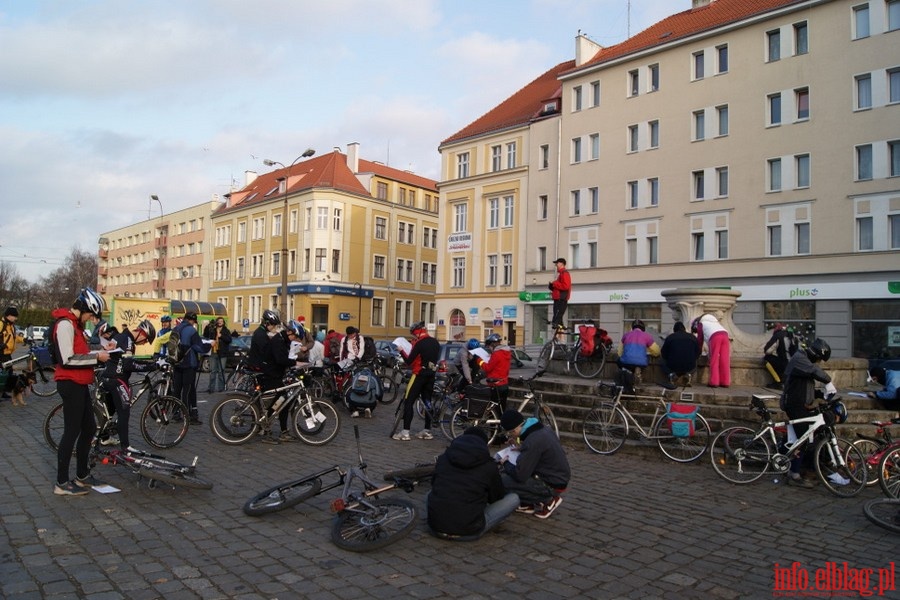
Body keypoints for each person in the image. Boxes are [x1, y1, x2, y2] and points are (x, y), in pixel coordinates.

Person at [52, 288, 111, 496]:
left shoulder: (75, 325)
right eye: (89, 314)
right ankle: (61, 483)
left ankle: (82, 475)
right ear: (83, 309)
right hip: (70, 384)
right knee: (71, 432)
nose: (89, 319)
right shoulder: (65, 325)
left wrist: (98, 353)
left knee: (88, 429)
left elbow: (80, 353)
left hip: (80, 383)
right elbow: (67, 359)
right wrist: (97, 358)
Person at [427, 427, 520, 540]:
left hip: (435, 528)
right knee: (514, 499)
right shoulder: (488, 466)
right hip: (469, 530)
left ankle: (442, 518)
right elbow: (496, 497)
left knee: (431, 493)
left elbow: (434, 483)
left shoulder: (443, 458)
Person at [782, 338, 835, 488]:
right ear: (816, 354)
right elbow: (813, 371)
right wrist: (828, 381)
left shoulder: (804, 359)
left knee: (799, 435)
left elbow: (806, 385)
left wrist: (819, 395)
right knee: (804, 437)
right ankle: (794, 474)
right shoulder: (800, 358)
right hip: (794, 404)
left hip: (800, 403)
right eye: (819, 359)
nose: (818, 362)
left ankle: (789, 462)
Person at [98, 320, 159, 452]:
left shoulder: (120, 336)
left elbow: (129, 360)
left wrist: (148, 362)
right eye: (145, 340)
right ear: (142, 334)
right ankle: (126, 447)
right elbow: (128, 365)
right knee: (124, 413)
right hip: (118, 380)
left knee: (110, 411)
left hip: (107, 377)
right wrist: (153, 366)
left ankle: (104, 437)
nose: (143, 343)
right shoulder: (129, 341)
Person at [498, 409, 570, 519]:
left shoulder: (532, 441)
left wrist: (505, 463)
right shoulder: (541, 429)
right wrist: (521, 447)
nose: (511, 436)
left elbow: (520, 475)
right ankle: (527, 504)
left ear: (514, 429)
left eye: (511, 433)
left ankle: (548, 499)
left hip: (551, 483)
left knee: (501, 481)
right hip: (558, 476)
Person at [248, 310, 296, 444]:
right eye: (273, 325)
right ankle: (267, 430)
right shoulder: (260, 335)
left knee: (278, 400)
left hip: (265, 370)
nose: (274, 328)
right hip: (263, 371)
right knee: (275, 401)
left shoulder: (262, 333)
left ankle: (272, 428)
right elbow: (269, 355)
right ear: (267, 323)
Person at [393, 321, 440, 441]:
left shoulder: (419, 343)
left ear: (417, 333)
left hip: (419, 375)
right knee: (427, 401)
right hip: (431, 375)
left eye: (414, 335)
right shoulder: (435, 342)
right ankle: (427, 430)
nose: (414, 337)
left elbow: (409, 361)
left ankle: (405, 432)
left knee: (409, 402)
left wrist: (401, 351)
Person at [171, 312, 210, 425]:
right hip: (188, 364)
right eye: (194, 322)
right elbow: (199, 347)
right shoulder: (191, 331)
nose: (194, 324)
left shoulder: (175, 329)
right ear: (191, 320)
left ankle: (176, 413)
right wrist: (209, 345)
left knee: (177, 390)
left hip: (177, 363)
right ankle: (189, 415)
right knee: (188, 390)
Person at [692, 313, 731, 388]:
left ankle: (714, 382)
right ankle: (725, 382)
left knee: (714, 359)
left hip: (715, 337)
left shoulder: (701, 324)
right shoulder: (714, 321)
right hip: (725, 335)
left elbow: (700, 340)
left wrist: (698, 351)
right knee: (725, 359)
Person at [617, 319, 660, 385]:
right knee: (645, 357)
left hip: (626, 362)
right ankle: (638, 371)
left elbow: (619, 352)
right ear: (643, 328)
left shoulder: (625, 335)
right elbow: (657, 351)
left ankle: (628, 372)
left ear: (632, 327)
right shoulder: (647, 336)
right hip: (641, 363)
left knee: (619, 361)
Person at [479, 333, 511, 412]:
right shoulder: (506, 352)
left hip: (495, 384)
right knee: (502, 407)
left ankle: (494, 424)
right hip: (504, 383)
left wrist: (480, 361)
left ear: (493, 344)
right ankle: (502, 423)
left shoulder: (496, 354)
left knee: (494, 408)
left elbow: (488, 368)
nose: (489, 348)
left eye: (489, 346)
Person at [660, 321, 699, 387]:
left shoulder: (670, 337)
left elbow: (663, 353)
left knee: (661, 360)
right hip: (689, 365)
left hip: (672, 365)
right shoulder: (693, 337)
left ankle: (672, 374)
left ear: (674, 330)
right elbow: (698, 352)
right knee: (695, 362)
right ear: (684, 329)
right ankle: (688, 374)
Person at [203, 317, 232, 393]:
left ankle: (221, 388)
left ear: (223, 322)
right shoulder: (213, 330)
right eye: (218, 321)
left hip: (222, 353)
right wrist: (208, 326)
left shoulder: (226, 330)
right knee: (212, 371)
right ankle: (211, 388)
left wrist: (221, 336)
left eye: (221, 321)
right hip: (213, 352)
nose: (220, 322)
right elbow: (205, 334)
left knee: (221, 371)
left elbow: (229, 340)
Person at [762, 323, 795, 390]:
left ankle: (778, 382)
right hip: (795, 364)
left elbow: (767, 350)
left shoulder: (778, 335)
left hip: (785, 363)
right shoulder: (793, 335)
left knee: (766, 359)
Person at [548, 258, 571, 333]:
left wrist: (554, 284)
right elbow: (560, 287)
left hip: (561, 297)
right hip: (559, 297)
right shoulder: (561, 274)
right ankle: (560, 324)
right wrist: (552, 287)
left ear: (561, 264)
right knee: (558, 312)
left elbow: (565, 286)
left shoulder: (564, 273)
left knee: (558, 312)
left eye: (557, 263)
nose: (556, 265)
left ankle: (556, 323)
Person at [1, 306, 19, 399]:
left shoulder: (11, 326)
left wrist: (24, 339)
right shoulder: (1, 324)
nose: (16, 318)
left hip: (7, 354)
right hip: (1, 353)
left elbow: (15, 338)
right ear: (9, 316)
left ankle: (4, 392)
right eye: (14, 316)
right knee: (3, 374)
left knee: (9, 372)